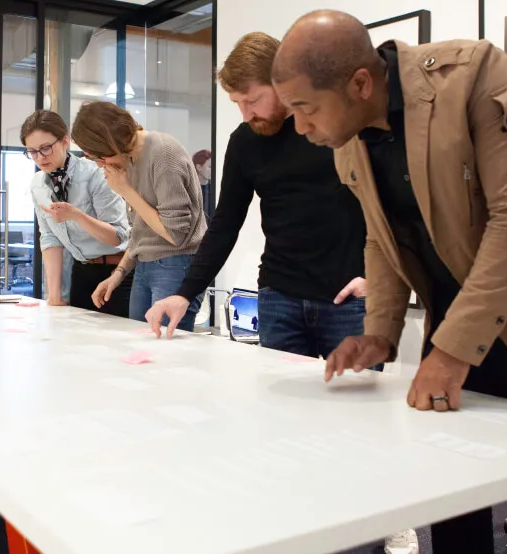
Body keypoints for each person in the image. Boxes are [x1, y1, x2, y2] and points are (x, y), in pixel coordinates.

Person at [272, 9, 507, 554]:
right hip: (459, 329)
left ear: (359, 83)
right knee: (450, 504)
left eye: (305, 109)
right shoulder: (349, 138)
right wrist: (379, 331)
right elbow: (380, 238)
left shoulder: (474, 77)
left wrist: (450, 351)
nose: (301, 129)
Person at [144, 31, 413, 554]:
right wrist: (187, 292)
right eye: (237, 102)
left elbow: (392, 203)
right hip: (281, 296)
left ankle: (385, 517)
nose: (245, 111)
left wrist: (376, 278)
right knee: (285, 425)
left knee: (360, 422)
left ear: (283, 84)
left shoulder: (336, 124)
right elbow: (225, 223)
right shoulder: (246, 141)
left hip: (349, 300)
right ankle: (301, 521)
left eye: (252, 98)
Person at [71, 101, 208, 331]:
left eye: (98, 157)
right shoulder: (129, 159)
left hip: (177, 262)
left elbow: (176, 234)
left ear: (109, 143)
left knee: (164, 351)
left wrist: (126, 191)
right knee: (140, 345)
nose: (99, 164)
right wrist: (118, 274)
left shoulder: (163, 153)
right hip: (145, 264)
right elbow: (140, 229)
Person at [21, 110, 132, 314]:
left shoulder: (95, 174)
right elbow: (49, 238)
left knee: (118, 341)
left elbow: (118, 236)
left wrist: (76, 215)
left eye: (46, 148)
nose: (40, 157)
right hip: (80, 271)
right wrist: (54, 294)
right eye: (32, 151)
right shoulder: (38, 183)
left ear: (64, 142)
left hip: (116, 272)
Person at [192, 149, 214, 224]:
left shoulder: (215, 189)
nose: (213, 170)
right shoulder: (190, 190)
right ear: (199, 167)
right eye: (210, 166)